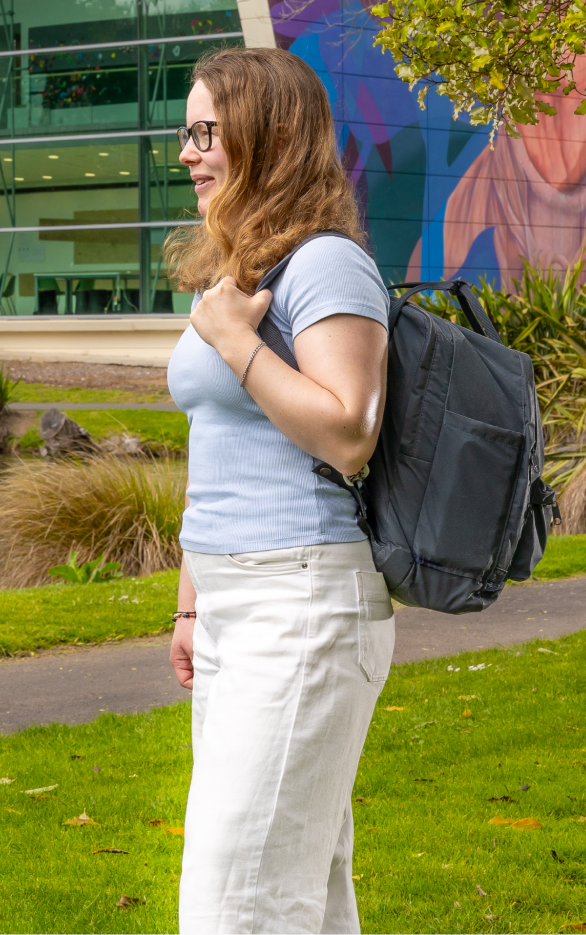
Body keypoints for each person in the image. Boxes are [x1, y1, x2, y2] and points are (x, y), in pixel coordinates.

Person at [164, 47, 395, 934]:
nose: (187, 152)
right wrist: (193, 603)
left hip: (301, 601)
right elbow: (218, 442)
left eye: (208, 131)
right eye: (187, 132)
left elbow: (348, 429)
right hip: (235, 602)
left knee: (238, 904)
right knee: (300, 891)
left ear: (274, 135)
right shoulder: (244, 274)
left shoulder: (327, 265)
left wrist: (236, 344)